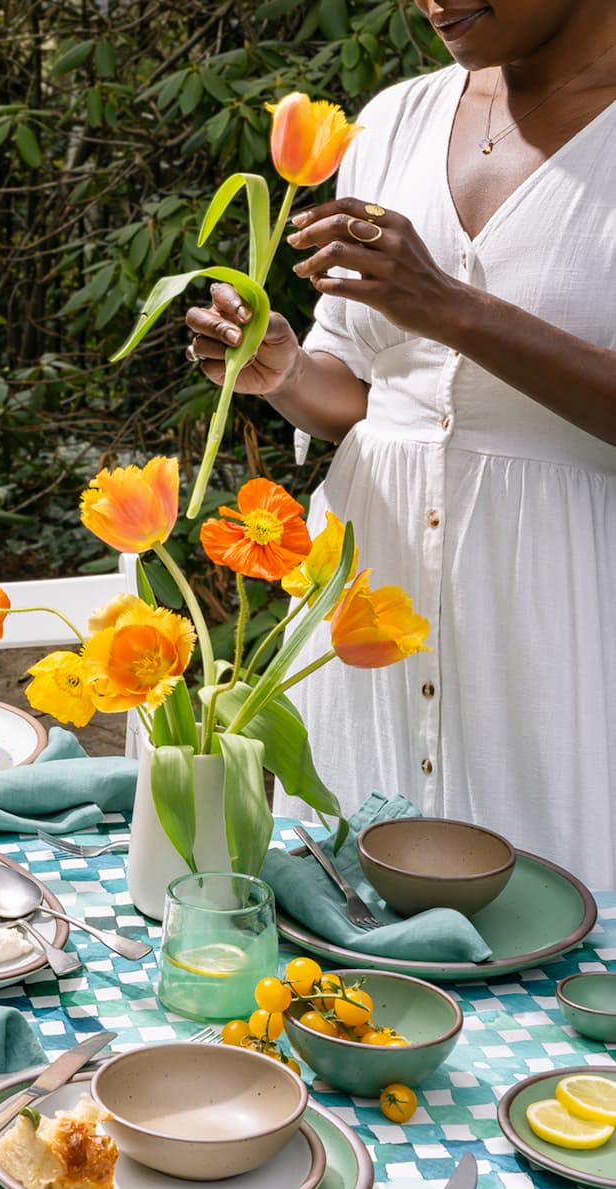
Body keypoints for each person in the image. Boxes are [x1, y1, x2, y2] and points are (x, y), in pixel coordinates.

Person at [185, 0, 616, 891]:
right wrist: (283, 371)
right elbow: (362, 393)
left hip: (557, 617)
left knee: (559, 924)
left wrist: (449, 306)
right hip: (365, 602)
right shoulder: (393, 120)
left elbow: (435, 318)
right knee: (340, 919)